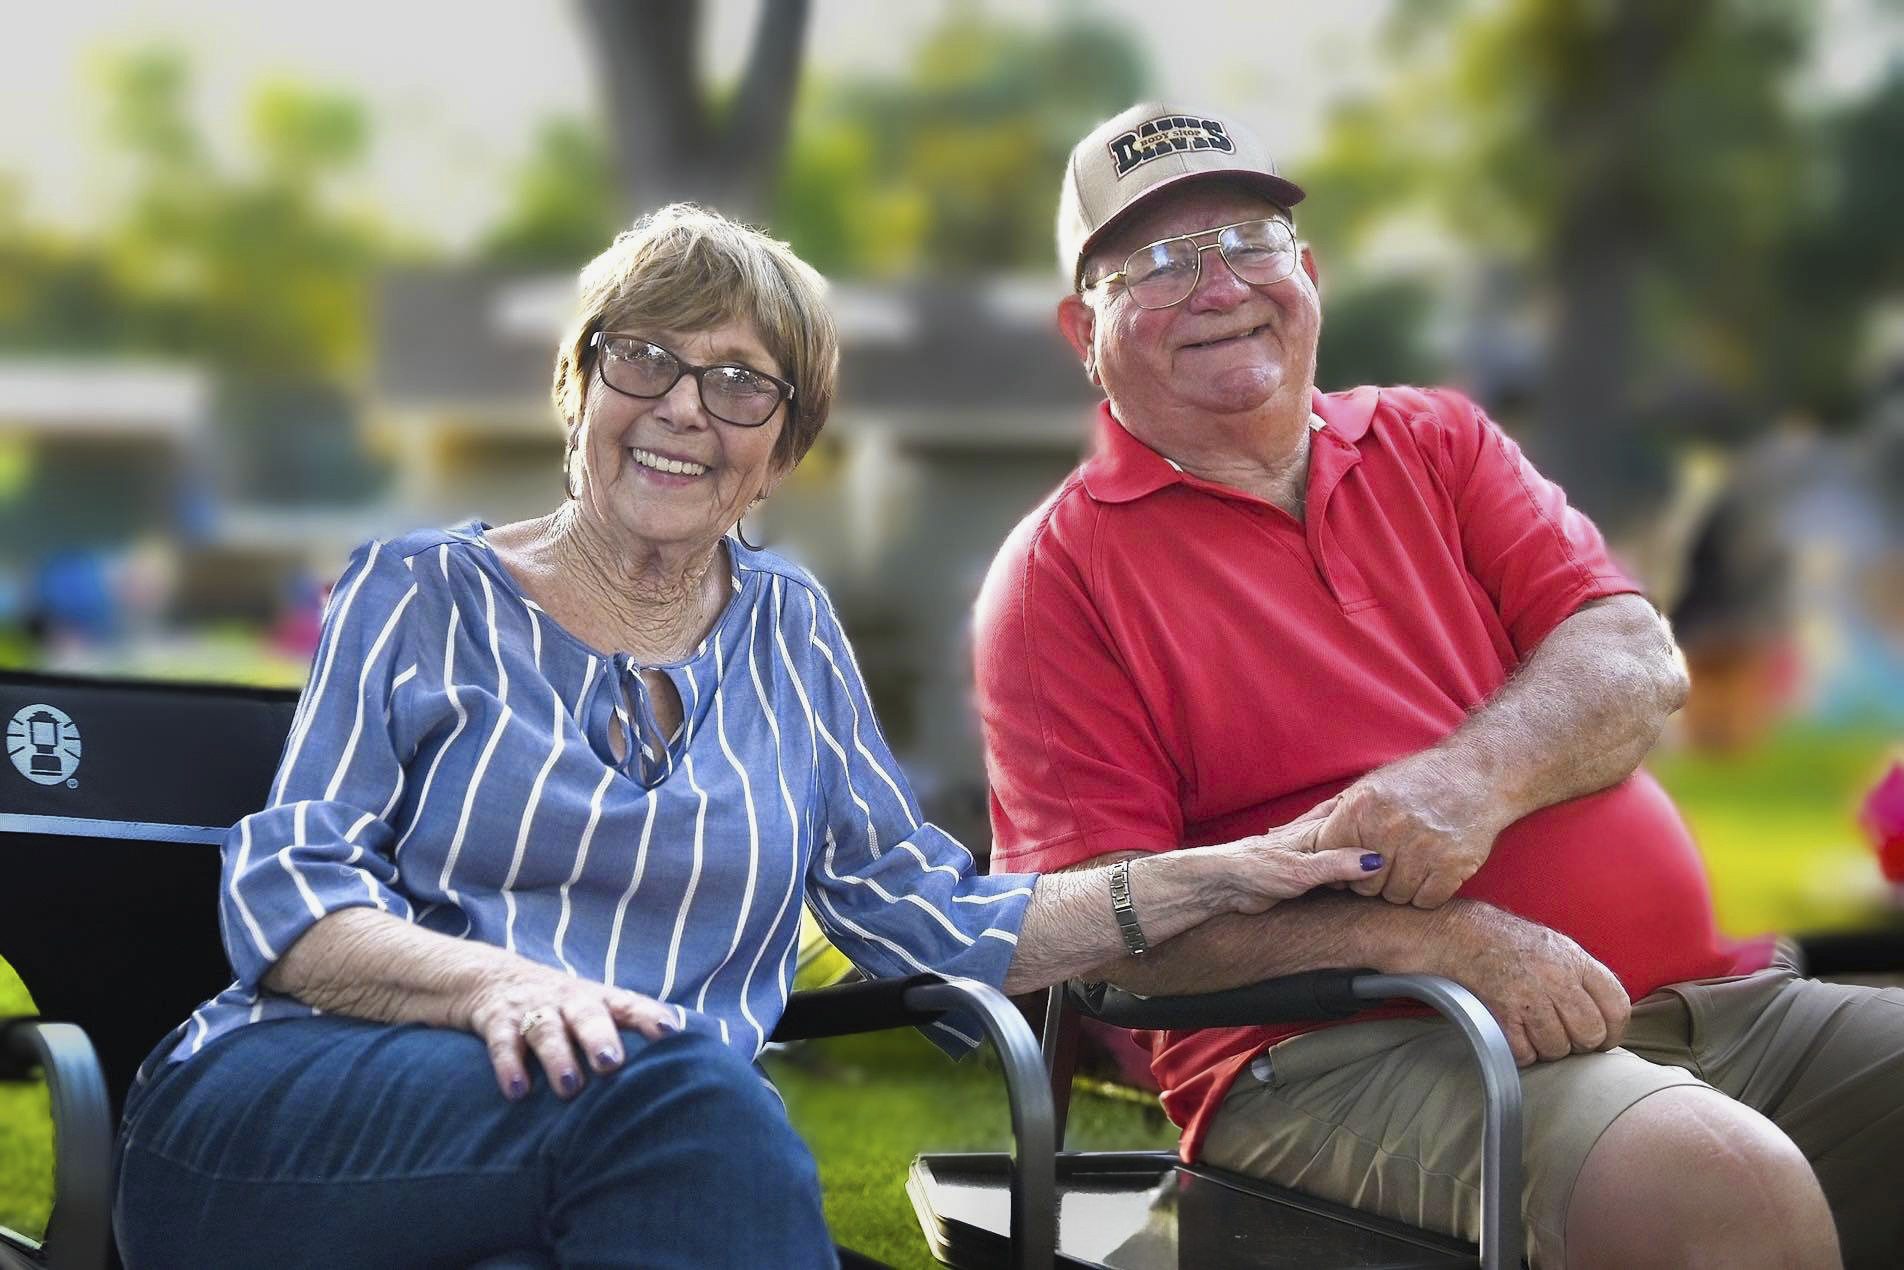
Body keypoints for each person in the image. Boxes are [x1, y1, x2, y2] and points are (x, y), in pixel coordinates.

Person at [111, 204, 1385, 1270]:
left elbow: (928, 918)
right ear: (577, 388)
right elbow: (289, 889)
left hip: (635, 1161)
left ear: (778, 450)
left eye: (738, 384)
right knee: (683, 1094)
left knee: (648, 1159)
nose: (682, 409)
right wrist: (505, 984)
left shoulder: (789, 629)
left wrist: (1223, 869)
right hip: (304, 1112)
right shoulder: (420, 592)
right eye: (643, 360)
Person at [974, 103, 1904, 1269]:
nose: (1217, 287)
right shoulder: (1056, 577)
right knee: (1718, 1187)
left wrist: (1468, 782)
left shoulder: (1433, 441)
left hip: (1721, 1007)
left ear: (1303, 273)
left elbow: (1628, 657)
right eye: (1155, 262)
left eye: (1248, 241)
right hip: (1351, 1053)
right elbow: (1092, 930)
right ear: (1082, 327)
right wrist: (1447, 944)